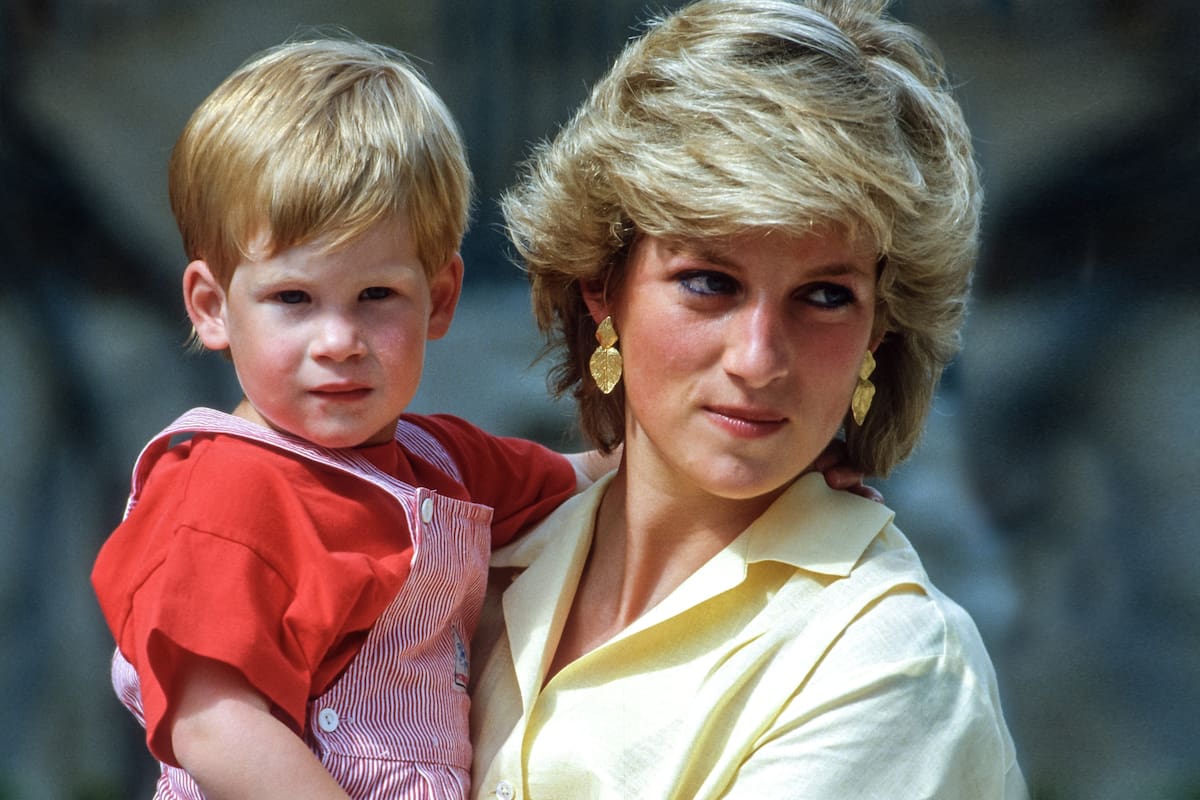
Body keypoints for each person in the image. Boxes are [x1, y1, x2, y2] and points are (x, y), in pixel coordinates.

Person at [468, 1, 1028, 798]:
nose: (759, 359)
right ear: (602, 288)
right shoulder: (473, 560)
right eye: (709, 282)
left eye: (825, 296)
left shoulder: (886, 662)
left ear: (879, 329)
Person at [90, 38, 607, 800]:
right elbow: (214, 725)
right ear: (211, 307)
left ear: (439, 299)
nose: (339, 341)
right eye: (293, 299)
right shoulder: (221, 492)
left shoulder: (445, 465)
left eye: (376, 297)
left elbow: (596, 478)